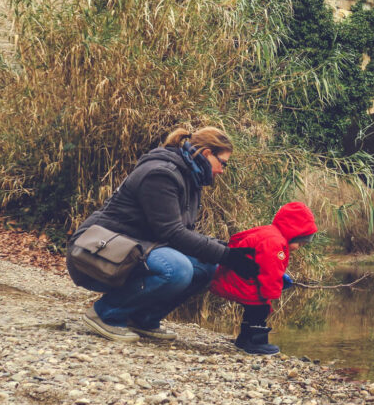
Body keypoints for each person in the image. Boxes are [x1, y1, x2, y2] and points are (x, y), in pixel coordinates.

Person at [68, 126, 260, 343]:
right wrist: (228, 255)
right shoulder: (161, 174)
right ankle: (106, 314)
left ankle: (142, 319)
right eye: (223, 163)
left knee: (208, 268)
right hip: (96, 253)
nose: (222, 170)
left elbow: (185, 234)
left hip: (134, 249)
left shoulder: (190, 179)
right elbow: (172, 233)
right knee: (176, 269)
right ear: (207, 154)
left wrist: (231, 252)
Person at [209, 202, 318, 355]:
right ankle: (255, 342)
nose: (298, 248)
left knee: (252, 308)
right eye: (299, 243)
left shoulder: (270, 233)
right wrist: (272, 294)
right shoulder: (276, 243)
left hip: (235, 276)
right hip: (241, 280)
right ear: (293, 233)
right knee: (260, 307)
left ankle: (244, 338)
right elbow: (270, 273)